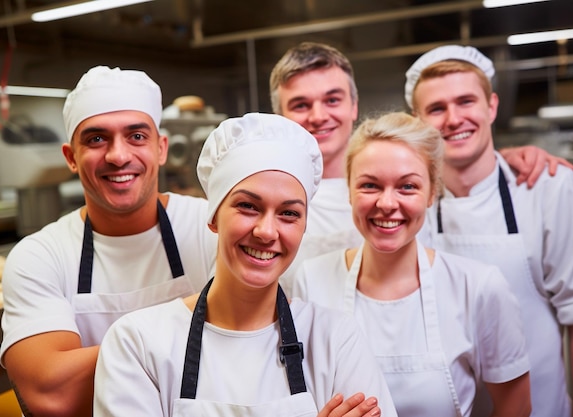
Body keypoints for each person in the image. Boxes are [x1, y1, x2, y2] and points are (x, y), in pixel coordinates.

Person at [93, 112, 398, 417]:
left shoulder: (335, 338)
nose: (266, 231)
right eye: (248, 206)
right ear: (213, 216)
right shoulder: (138, 343)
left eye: (289, 213)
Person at [0, 66, 218, 417]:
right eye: (97, 139)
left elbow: (249, 355)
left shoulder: (213, 228)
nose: (118, 156)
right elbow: (53, 395)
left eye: (136, 136)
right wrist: (201, 324)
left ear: (160, 148)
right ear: (71, 157)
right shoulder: (40, 256)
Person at [269, 42, 573, 291]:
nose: (319, 116)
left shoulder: (539, 184)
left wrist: (507, 156)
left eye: (332, 100)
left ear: (354, 105)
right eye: (300, 104)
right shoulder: (269, 196)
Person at [293, 112, 531, 417]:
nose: (387, 203)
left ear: (432, 192)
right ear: (349, 192)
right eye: (369, 186)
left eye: (407, 187)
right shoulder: (311, 280)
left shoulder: (478, 286)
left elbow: (517, 405)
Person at [405, 45, 573, 417]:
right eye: (436, 109)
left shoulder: (550, 188)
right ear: (417, 120)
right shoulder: (407, 205)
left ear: (491, 106)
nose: (453, 119)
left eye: (466, 101)